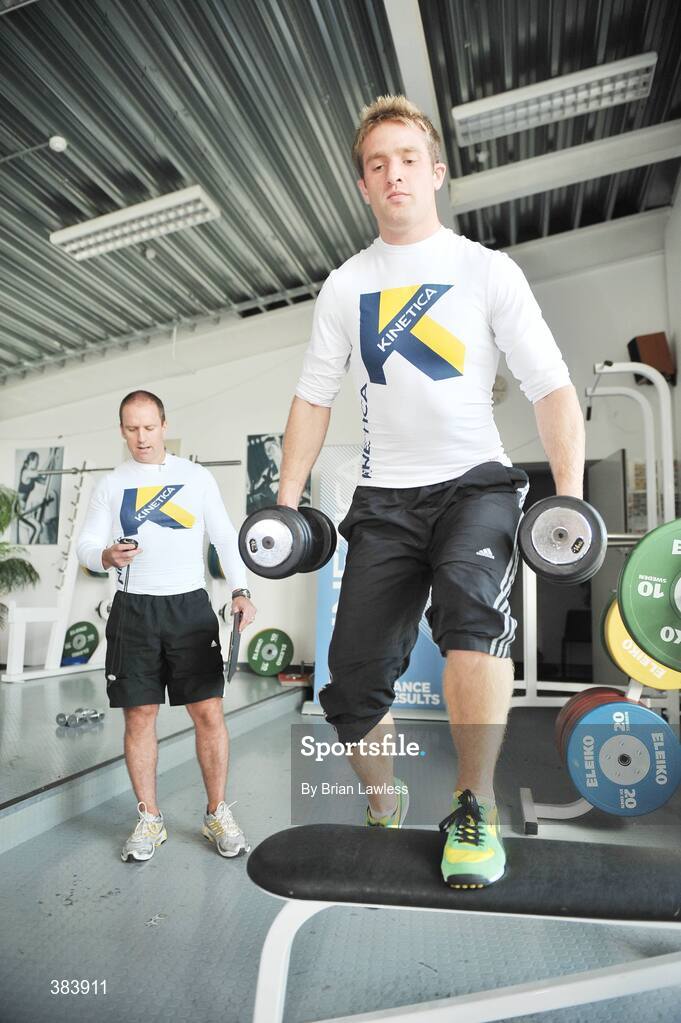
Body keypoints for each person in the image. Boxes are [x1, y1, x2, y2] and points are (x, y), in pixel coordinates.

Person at [277, 96, 584, 888]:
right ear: (362, 185)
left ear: (436, 172)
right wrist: (284, 500)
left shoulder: (485, 270)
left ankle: (472, 802)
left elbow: (548, 386)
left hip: (475, 482)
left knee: (470, 619)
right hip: (383, 497)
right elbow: (313, 398)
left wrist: (570, 497)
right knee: (350, 681)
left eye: (408, 158)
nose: (394, 173)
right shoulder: (345, 286)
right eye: (377, 163)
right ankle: (383, 797)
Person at [77, 390, 256, 863]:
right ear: (122, 430)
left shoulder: (195, 478)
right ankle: (150, 819)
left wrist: (241, 591)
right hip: (133, 609)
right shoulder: (111, 484)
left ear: (163, 425)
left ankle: (217, 812)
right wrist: (105, 556)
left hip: (189, 608)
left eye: (149, 427)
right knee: (140, 716)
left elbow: (223, 536)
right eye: (132, 428)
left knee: (208, 713)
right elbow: (87, 545)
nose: (141, 437)